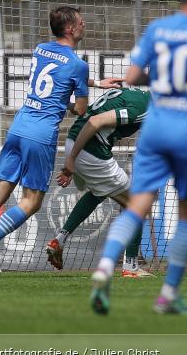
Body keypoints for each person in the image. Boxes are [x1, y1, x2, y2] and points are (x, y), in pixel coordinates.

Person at [90, 0, 187, 315]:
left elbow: (134, 76)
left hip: (156, 127)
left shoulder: (157, 29)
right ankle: (168, 294)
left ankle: (105, 267)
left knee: (137, 204)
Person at [0, 7, 122, 278]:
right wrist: (79, 95)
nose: (84, 25)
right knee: (31, 202)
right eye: (80, 22)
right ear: (70, 29)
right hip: (41, 134)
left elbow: (58, 74)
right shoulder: (78, 64)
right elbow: (80, 109)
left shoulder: (41, 49)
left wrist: (96, 82)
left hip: (19, 126)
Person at [45, 87, 152, 278]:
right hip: (88, 150)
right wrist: (71, 159)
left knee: (99, 192)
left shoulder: (134, 93)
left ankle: (60, 240)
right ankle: (131, 267)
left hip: (74, 140)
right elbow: (96, 120)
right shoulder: (145, 106)